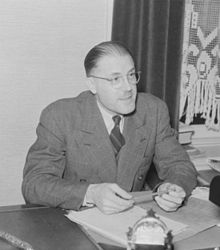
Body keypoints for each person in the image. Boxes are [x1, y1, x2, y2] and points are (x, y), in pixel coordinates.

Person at [22, 41, 197, 214]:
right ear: (92, 85)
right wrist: (90, 193)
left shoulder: (153, 110)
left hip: (131, 217)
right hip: (76, 219)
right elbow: (34, 184)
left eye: (131, 75)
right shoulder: (60, 116)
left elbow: (179, 165)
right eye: (115, 79)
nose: (128, 87)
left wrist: (173, 187)